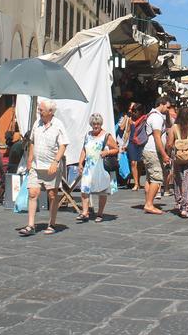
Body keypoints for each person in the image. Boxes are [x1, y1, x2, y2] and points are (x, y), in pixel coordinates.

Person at [17, 100, 68, 236]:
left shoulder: (58, 125)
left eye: (41, 110)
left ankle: (51, 223)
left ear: (50, 112)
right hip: (36, 165)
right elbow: (32, 141)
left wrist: (55, 162)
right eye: (39, 109)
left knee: (52, 195)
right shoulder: (37, 123)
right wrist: (30, 158)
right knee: (33, 193)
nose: (39, 112)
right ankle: (31, 225)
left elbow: (63, 145)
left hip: (51, 166)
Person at [77, 113, 118, 222]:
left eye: (98, 124)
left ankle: (100, 213)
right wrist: (80, 163)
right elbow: (84, 150)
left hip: (101, 166)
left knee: (102, 190)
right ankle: (85, 212)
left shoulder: (106, 135)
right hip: (89, 166)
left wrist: (107, 152)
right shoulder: (87, 135)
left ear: (101, 124)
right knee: (84, 189)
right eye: (94, 124)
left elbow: (116, 149)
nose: (96, 126)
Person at [141, 96, 171, 214]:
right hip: (153, 150)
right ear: (161, 104)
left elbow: (169, 124)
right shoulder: (156, 118)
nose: (168, 109)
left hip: (149, 150)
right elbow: (157, 137)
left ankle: (148, 202)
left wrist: (167, 114)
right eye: (167, 107)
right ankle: (149, 204)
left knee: (149, 178)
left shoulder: (152, 115)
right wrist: (164, 155)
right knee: (157, 177)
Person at [123, 102, 144, 190]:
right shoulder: (130, 119)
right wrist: (124, 144)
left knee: (140, 163)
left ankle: (138, 181)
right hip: (132, 143)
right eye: (133, 111)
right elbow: (127, 131)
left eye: (136, 111)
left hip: (140, 142)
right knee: (133, 162)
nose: (134, 113)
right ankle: (135, 183)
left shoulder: (144, 119)